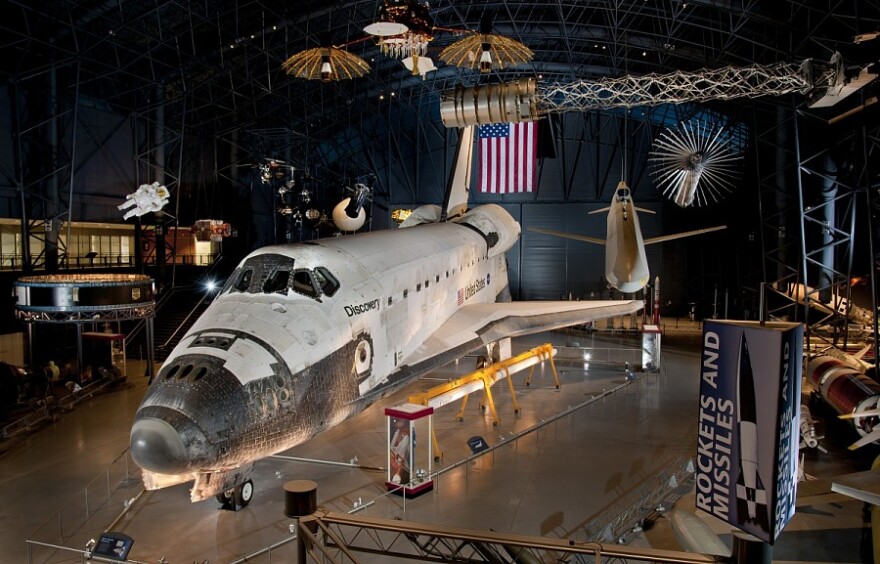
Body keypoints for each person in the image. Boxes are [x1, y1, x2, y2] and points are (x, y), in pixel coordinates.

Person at [389, 418, 411, 485]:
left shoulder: (406, 436)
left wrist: (398, 473)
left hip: (402, 470)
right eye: (396, 420)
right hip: (395, 466)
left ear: (405, 422)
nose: (396, 422)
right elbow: (391, 447)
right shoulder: (397, 432)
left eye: (399, 420)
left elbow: (401, 456)